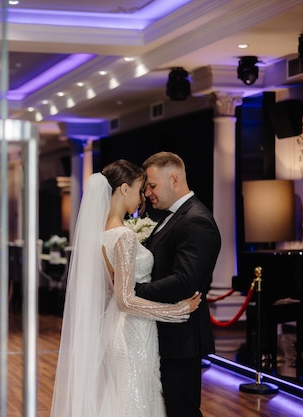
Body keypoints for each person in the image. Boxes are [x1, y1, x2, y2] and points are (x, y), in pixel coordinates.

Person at [50, 159, 202, 417]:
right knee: (137, 402)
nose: (142, 196)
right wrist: (176, 311)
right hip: (134, 332)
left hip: (120, 328)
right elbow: (125, 299)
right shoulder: (124, 236)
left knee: (126, 399)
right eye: (140, 189)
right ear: (123, 189)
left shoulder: (102, 233)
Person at [135, 151, 221, 417]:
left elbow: (184, 281)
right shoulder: (173, 216)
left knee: (181, 409)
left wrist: (133, 291)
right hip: (167, 330)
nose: (147, 192)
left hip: (182, 335)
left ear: (174, 178)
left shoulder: (196, 220)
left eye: (151, 185)